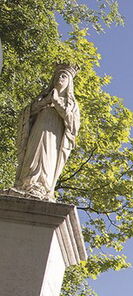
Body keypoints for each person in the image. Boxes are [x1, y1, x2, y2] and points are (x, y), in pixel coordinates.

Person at [13, 64, 81, 200]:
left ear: (69, 82)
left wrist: (57, 102)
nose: (59, 78)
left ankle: (42, 186)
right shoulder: (42, 97)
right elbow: (27, 114)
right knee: (32, 157)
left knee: (47, 159)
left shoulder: (71, 103)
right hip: (37, 133)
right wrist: (45, 102)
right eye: (57, 76)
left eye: (63, 76)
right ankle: (26, 183)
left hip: (53, 136)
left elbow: (73, 125)